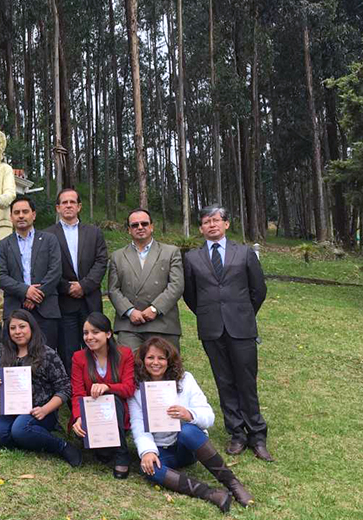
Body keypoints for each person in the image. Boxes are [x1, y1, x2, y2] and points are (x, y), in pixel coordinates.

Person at [183, 205, 271, 461]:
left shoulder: (243, 253)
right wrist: (208, 313)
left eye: (216, 220)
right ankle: (236, 433)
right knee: (224, 381)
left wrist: (243, 313)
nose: (212, 225)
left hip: (241, 327)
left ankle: (257, 434)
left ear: (226, 224)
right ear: (201, 228)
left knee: (246, 380)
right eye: (206, 222)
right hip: (211, 328)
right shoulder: (192, 258)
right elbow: (190, 295)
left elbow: (259, 289)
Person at [129, 338, 254, 512]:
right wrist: (147, 451)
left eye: (161, 358)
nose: (155, 363)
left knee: (188, 431)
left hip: (187, 448)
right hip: (161, 450)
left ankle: (233, 484)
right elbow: (137, 424)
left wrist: (189, 414)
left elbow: (209, 417)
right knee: (150, 470)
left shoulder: (185, 379)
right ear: (143, 361)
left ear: (169, 361)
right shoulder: (136, 388)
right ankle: (211, 494)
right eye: (150, 358)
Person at [0, 310, 81, 467]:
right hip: (13, 411)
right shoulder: (3, 355)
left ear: (32, 327)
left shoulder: (47, 353)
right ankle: (30, 440)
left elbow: (65, 388)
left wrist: (45, 409)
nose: (17, 332)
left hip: (41, 412)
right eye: (13, 328)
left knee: (19, 430)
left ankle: (61, 446)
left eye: (22, 326)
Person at [43, 188, 108, 373]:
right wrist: (67, 287)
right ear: (58, 208)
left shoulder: (94, 233)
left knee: (95, 349)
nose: (68, 205)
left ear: (79, 206)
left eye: (72, 202)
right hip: (64, 303)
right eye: (64, 202)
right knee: (68, 352)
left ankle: (96, 391)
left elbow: (101, 262)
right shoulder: (47, 236)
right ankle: (74, 397)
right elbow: (47, 268)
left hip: (90, 301)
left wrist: (84, 286)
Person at [70, 312, 135, 479]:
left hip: (118, 413)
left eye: (95, 332)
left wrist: (107, 387)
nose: (89, 337)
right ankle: (104, 446)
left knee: (112, 399)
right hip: (91, 415)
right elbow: (77, 393)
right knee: (103, 455)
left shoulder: (125, 354)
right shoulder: (79, 357)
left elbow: (129, 388)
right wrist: (78, 417)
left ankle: (122, 453)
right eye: (86, 333)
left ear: (108, 334)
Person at [108, 208, 184, 351]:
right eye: (135, 225)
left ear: (152, 226)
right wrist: (130, 311)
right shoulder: (117, 256)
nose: (140, 227)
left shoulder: (170, 252)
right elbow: (113, 289)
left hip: (163, 323)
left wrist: (155, 308)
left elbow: (176, 285)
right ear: (129, 230)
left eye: (144, 223)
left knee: (165, 369)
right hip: (129, 326)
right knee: (129, 370)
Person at [0, 195, 62, 350]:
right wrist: (26, 291)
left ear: (34, 214)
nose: (21, 216)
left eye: (25, 211)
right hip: (15, 309)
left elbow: (56, 271)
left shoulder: (49, 240)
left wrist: (35, 295)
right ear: (11, 217)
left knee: (46, 356)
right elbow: (0, 276)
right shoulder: (3, 245)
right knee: (16, 358)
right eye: (16, 212)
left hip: (46, 309)